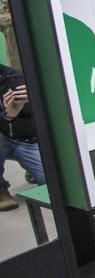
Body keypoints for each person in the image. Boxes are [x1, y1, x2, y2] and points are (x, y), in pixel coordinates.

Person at [0, 65, 46, 211]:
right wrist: (7, 115)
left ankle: (31, 167)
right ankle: (1, 189)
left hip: (28, 139)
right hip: (2, 136)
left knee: (50, 185)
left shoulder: (16, 77)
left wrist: (35, 99)